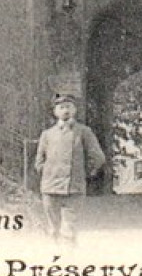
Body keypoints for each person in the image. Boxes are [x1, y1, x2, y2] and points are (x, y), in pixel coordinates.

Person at [34, 93, 105, 244]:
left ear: (74, 110)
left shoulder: (84, 132)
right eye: (61, 107)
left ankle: (70, 260)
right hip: (50, 188)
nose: (65, 110)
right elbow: (39, 161)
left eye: (68, 107)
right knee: (53, 230)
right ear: (55, 112)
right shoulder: (47, 134)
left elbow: (98, 157)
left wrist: (84, 173)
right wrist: (48, 172)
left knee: (69, 230)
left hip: (74, 188)